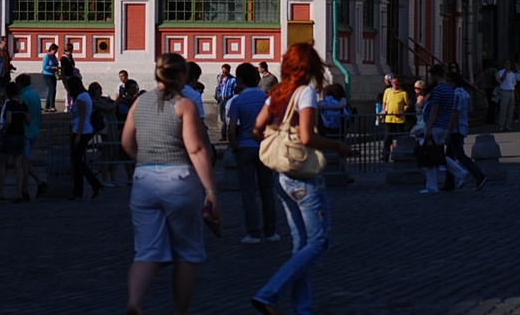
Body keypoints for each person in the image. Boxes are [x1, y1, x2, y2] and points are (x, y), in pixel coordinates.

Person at [250, 44, 353, 315]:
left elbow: (257, 128)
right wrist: (337, 146)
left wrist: (276, 140)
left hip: (281, 175)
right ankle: (269, 293)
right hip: (303, 176)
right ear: (310, 68)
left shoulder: (276, 92)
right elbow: (307, 137)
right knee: (319, 242)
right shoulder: (305, 92)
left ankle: (302, 309)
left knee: (300, 244)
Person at [120, 52, 219, 315]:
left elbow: (127, 143)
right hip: (178, 179)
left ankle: (135, 302)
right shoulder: (183, 105)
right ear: (181, 76)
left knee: (145, 251)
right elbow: (197, 149)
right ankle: (179, 312)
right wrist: (210, 190)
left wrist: (143, 160)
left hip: (143, 178)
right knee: (186, 252)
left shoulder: (139, 102)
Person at [224, 62, 279, 243]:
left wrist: (234, 147)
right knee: (267, 191)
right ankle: (270, 231)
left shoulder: (237, 101)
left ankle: (253, 232)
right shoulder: (267, 99)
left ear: (240, 80)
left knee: (248, 192)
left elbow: (231, 129)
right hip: (264, 147)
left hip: (245, 147)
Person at [441, 67, 486, 190]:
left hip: (456, 129)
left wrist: (448, 132)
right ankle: (449, 182)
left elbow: (455, 114)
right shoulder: (466, 94)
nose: (447, 83)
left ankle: (479, 176)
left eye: (448, 81)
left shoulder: (456, 95)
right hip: (462, 127)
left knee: (460, 156)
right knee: (449, 157)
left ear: (454, 82)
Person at [417, 63, 457, 193]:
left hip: (436, 126)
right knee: (438, 155)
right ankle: (460, 172)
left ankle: (432, 186)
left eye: (431, 76)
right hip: (445, 125)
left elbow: (434, 110)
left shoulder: (438, 90)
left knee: (430, 156)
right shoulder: (450, 90)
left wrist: (428, 128)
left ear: (435, 75)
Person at [67, 75, 104, 200]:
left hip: (81, 131)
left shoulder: (81, 98)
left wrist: (77, 136)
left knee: (76, 161)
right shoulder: (86, 95)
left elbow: (83, 117)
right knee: (77, 161)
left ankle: (82, 189)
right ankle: (92, 184)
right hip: (84, 130)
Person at [15, 74, 50, 197]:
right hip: (35, 130)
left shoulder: (24, 96)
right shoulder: (35, 94)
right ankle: (39, 182)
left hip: (26, 130)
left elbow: (23, 114)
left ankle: (25, 190)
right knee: (25, 160)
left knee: (23, 162)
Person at [379, 74, 411, 156]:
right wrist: (384, 110)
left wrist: (402, 112)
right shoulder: (387, 91)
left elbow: (407, 105)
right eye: (393, 82)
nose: (395, 84)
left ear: (399, 83)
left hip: (399, 120)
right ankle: (385, 155)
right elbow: (384, 102)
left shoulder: (403, 93)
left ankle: (399, 155)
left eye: (396, 82)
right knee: (387, 137)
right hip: (389, 119)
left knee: (400, 138)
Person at [495, 59, 520, 131]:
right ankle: (501, 125)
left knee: (510, 109)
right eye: (506, 64)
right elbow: (502, 79)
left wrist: (517, 94)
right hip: (504, 91)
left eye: (508, 64)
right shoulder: (501, 72)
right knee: (503, 109)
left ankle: (508, 125)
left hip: (511, 91)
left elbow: (514, 84)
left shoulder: (512, 74)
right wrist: (506, 71)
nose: (507, 65)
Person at [41, 44, 60, 112]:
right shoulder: (47, 57)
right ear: (51, 49)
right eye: (54, 51)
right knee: (52, 89)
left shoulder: (54, 57)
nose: (55, 52)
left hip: (53, 75)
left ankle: (47, 106)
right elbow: (44, 66)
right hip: (47, 75)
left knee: (51, 90)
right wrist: (52, 67)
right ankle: (52, 106)